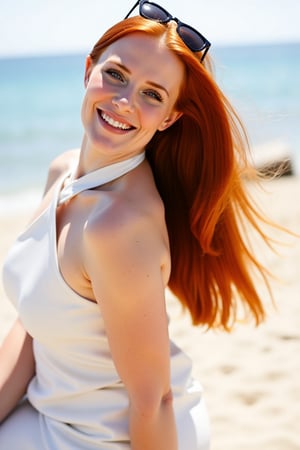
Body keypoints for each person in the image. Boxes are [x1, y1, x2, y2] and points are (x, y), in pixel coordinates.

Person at [0, 1, 277, 449]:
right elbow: (30, 326)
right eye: (116, 74)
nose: (125, 101)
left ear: (169, 117)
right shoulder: (63, 173)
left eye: (153, 94)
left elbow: (155, 401)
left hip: (108, 436)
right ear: (88, 68)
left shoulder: (116, 228)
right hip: (52, 407)